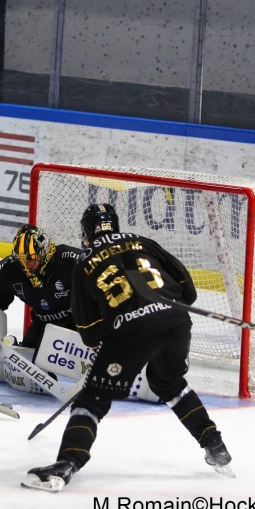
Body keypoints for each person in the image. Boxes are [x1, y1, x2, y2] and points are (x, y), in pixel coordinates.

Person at [22, 204, 232, 492]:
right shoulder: (144, 243)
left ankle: (67, 464)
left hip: (131, 332)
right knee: (169, 384)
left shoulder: (85, 263)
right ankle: (214, 445)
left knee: (93, 400)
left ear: (85, 232)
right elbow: (189, 292)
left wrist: (112, 330)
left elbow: (88, 332)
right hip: (176, 322)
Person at [0, 224, 82, 352]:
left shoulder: (70, 261)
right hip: (43, 324)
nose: (25, 265)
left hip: (78, 325)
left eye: (31, 259)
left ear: (44, 252)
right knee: (23, 363)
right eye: (21, 259)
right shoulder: (12, 267)